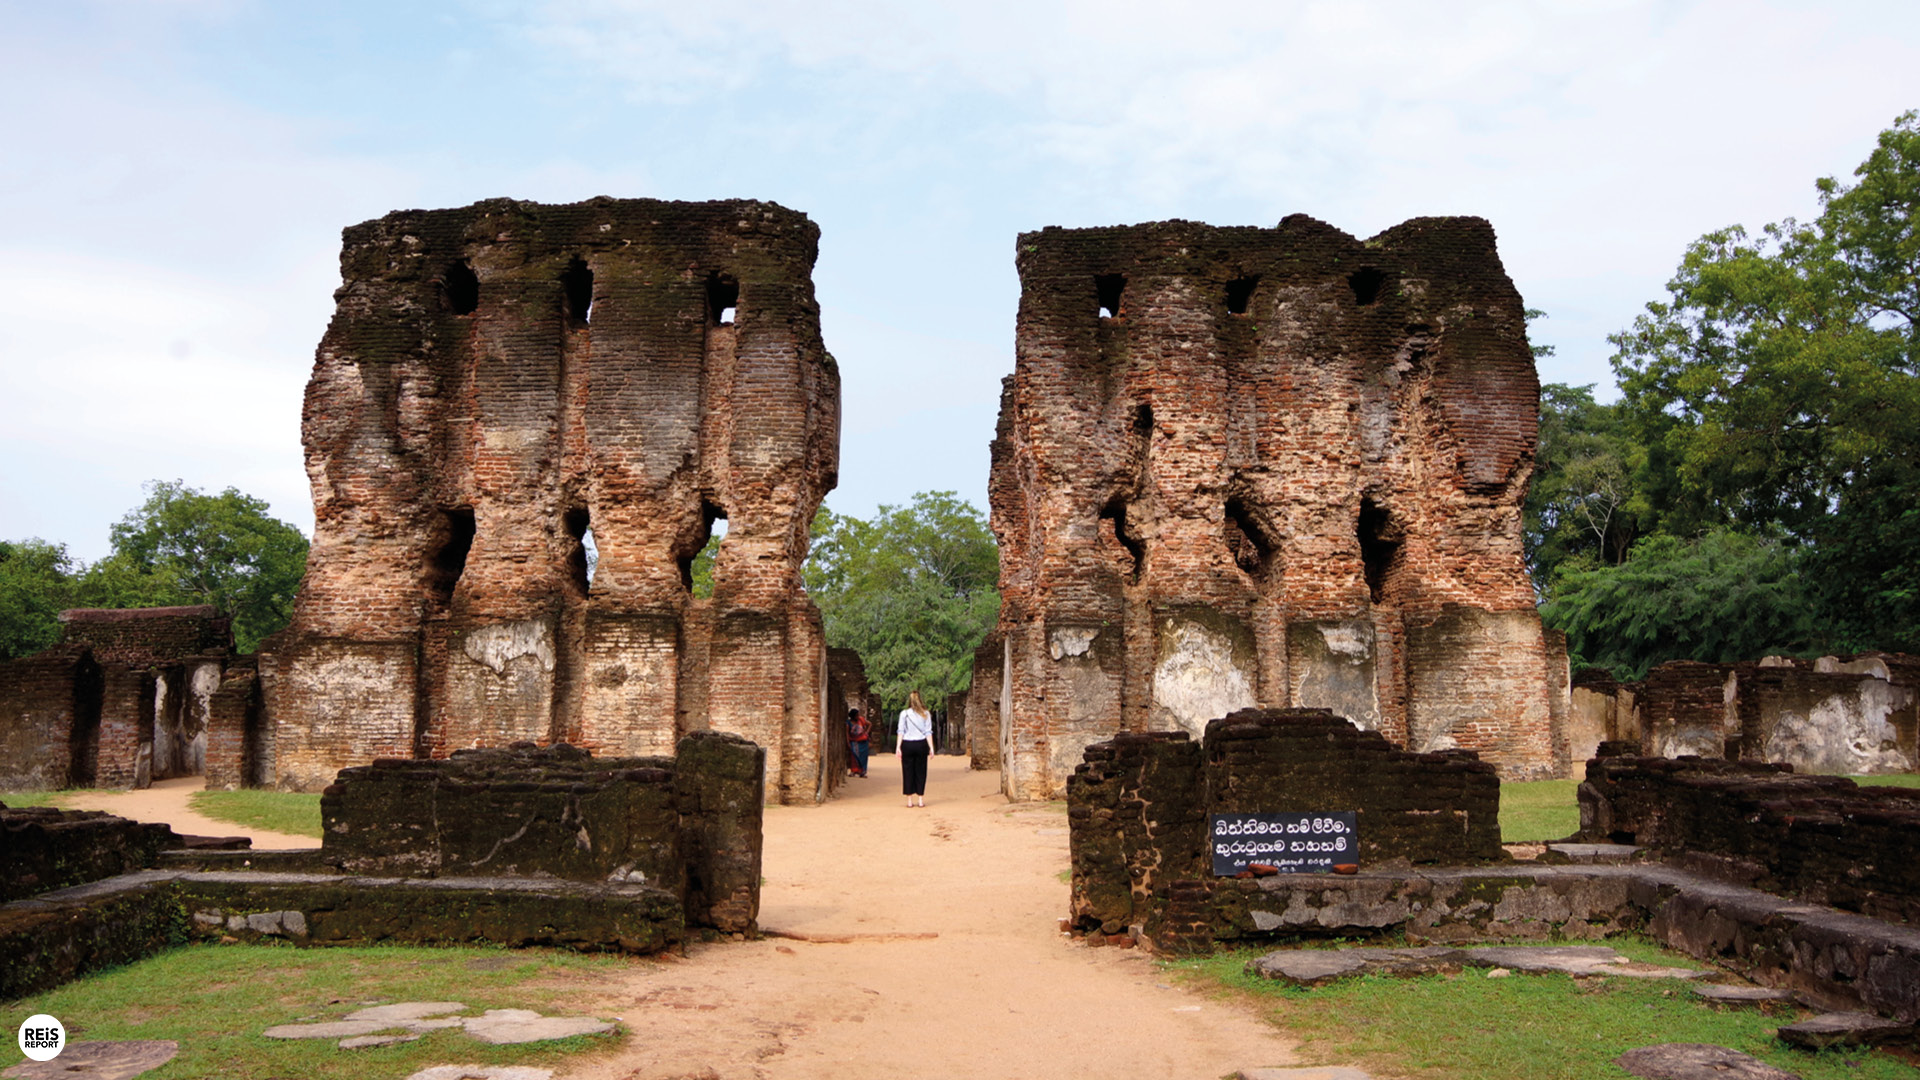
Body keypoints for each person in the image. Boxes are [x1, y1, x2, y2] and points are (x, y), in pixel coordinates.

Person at [896, 690, 933, 808]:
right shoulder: (926, 714)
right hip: (921, 744)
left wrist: (898, 747)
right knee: (921, 771)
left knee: (907, 771)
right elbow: (928, 732)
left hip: (907, 744)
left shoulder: (904, 714)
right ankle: (920, 799)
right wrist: (931, 747)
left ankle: (909, 800)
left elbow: (901, 731)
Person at [847, 706, 871, 778]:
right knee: (854, 757)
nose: (858, 716)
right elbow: (847, 734)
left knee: (863, 757)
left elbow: (869, 724)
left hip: (863, 742)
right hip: (854, 742)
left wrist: (867, 732)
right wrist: (848, 743)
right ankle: (854, 771)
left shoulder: (861, 720)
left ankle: (862, 772)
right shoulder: (848, 723)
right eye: (856, 715)